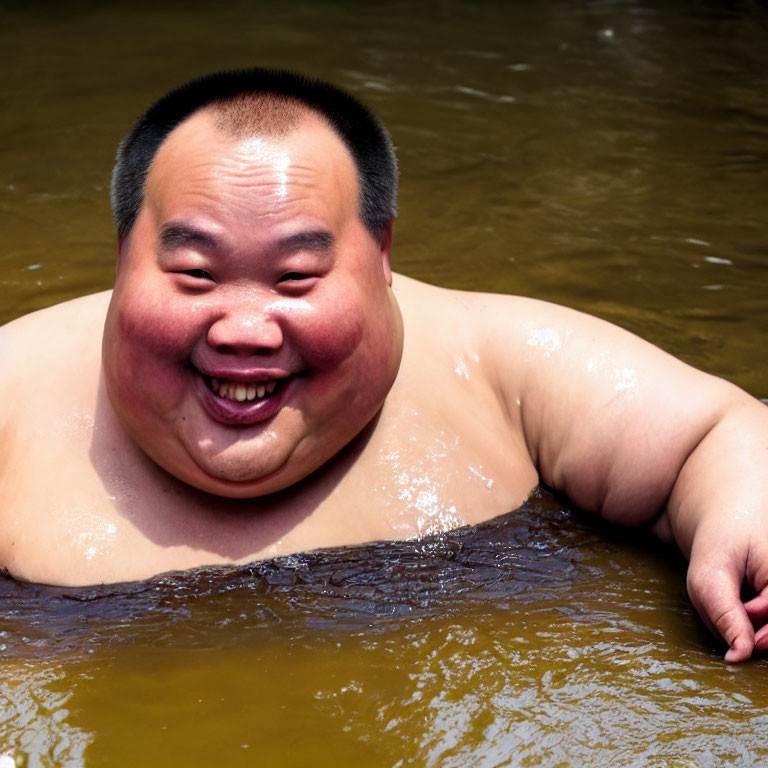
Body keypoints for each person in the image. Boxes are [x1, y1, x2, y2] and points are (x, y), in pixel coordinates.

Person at [1, 68, 766, 662]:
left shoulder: (499, 362)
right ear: (122, 255)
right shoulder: (11, 398)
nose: (244, 328)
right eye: (195, 274)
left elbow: (719, 438)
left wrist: (746, 530)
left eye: (296, 277)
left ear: (382, 254)